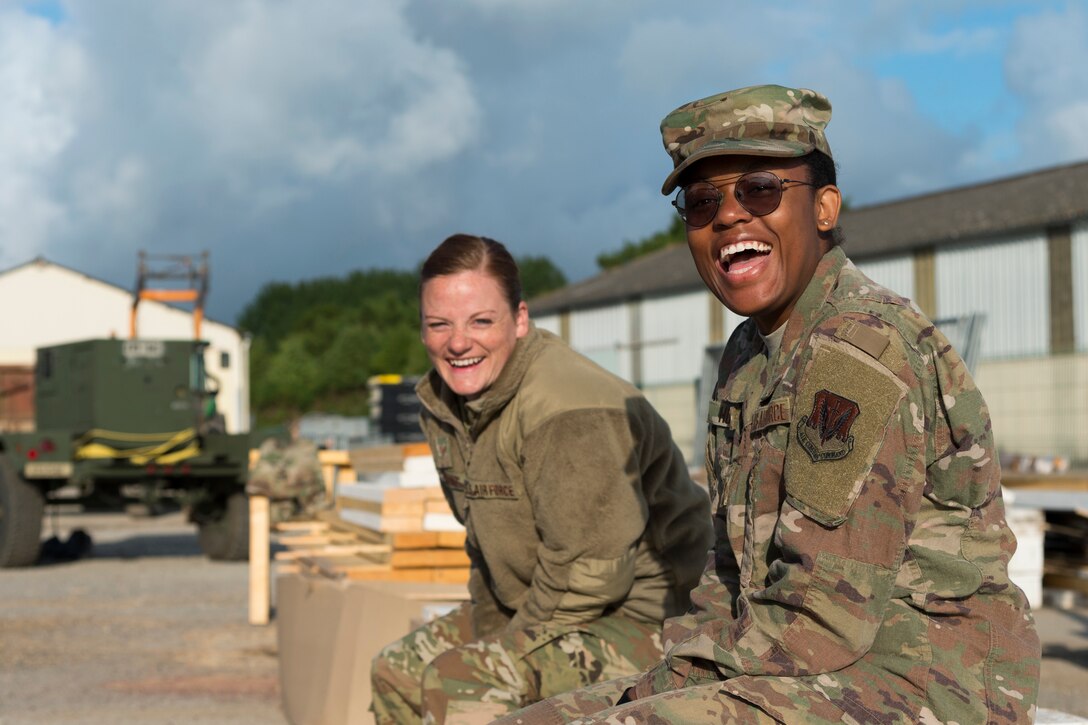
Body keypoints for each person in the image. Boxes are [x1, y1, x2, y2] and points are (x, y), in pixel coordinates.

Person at [496, 84, 1042, 724]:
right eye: (702, 202)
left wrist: (664, 686)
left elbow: (823, 616)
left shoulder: (860, 347)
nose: (729, 216)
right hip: (796, 669)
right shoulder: (746, 357)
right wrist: (667, 675)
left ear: (825, 208)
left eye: (759, 189)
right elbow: (727, 572)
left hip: (923, 682)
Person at [369, 234, 714, 724]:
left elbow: (591, 574)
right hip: (541, 607)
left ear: (520, 319)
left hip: (647, 620)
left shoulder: (568, 409)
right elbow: (485, 543)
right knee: (396, 670)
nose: (458, 342)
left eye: (480, 321)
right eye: (438, 324)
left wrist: (502, 649)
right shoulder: (448, 406)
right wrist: (491, 631)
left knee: (464, 680)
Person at [245, 419, 326, 524]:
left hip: (264, 491)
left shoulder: (269, 444)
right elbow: (312, 483)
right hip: (288, 491)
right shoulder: (305, 447)